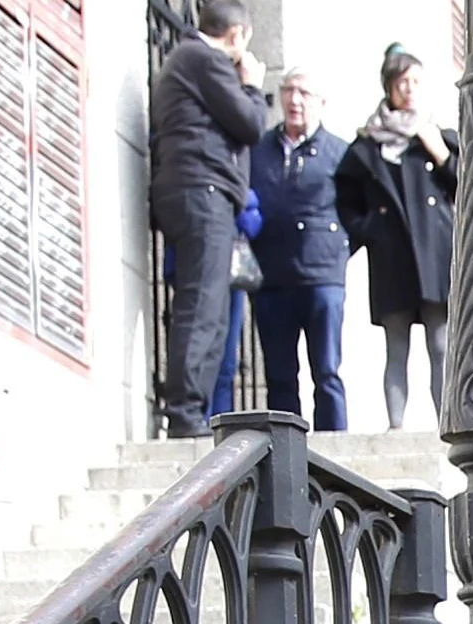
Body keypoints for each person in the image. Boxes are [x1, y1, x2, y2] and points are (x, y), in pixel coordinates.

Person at [148, 0, 266, 436]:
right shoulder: (205, 59)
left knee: (207, 305)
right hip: (203, 193)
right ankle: (185, 414)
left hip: (192, 192)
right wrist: (252, 85)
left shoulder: (185, 60)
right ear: (236, 36)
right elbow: (251, 123)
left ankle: (191, 410)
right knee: (202, 306)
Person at [335, 45, 455, 432]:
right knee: (396, 347)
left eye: (416, 81)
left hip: (435, 257)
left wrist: (441, 153)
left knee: (441, 346)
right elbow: (345, 200)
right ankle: (397, 429)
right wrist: (372, 231)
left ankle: (447, 426)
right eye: (402, 81)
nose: (409, 89)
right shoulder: (367, 146)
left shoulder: (438, 135)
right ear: (388, 86)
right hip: (392, 258)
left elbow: (467, 189)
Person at [247, 74, 353, 431]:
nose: (295, 100)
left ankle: (335, 452)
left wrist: (338, 247)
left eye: (305, 92)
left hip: (322, 277)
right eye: (288, 91)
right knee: (279, 376)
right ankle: (285, 456)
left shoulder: (340, 153)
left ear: (321, 102)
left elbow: (361, 211)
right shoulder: (258, 151)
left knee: (326, 371)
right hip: (272, 277)